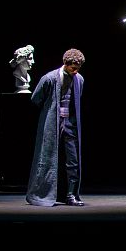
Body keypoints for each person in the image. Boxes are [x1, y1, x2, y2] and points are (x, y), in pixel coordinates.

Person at [26, 48, 86, 207]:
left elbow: (76, 100)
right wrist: (50, 110)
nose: (75, 71)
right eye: (73, 68)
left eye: (78, 68)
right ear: (66, 64)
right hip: (52, 123)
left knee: (73, 160)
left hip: (70, 124)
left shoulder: (79, 79)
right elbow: (36, 98)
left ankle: (71, 195)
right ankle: (41, 194)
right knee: (47, 158)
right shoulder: (49, 78)